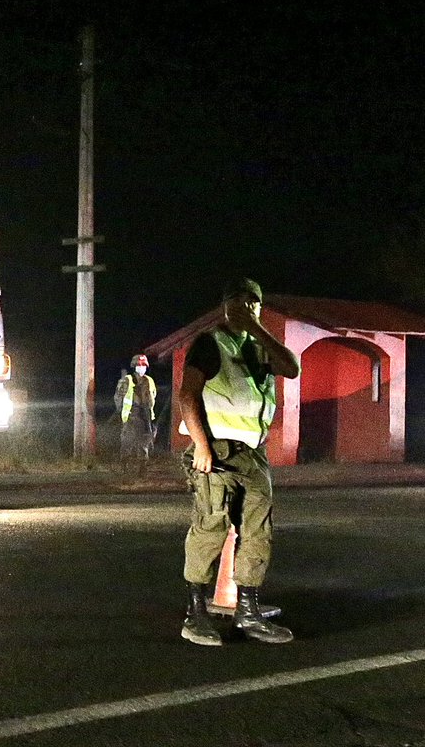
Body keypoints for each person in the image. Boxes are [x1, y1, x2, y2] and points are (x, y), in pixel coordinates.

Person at [177, 277, 300, 647]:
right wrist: (201, 445)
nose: (246, 307)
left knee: (258, 531)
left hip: (253, 454)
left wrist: (258, 329)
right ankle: (195, 615)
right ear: (225, 306)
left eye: (253, 302)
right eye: (238, 301)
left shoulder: (259, 345)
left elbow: (291, 368)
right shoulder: (209, 342)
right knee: (210, 528)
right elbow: (187, 396)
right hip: (216, 451)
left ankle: (248, 612)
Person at [113, 354, 157, 475]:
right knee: (127, 442)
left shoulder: (149, 380)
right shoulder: (127, 380)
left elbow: (153, 397)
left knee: (144, 443)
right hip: (131, 415)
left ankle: (142, 468)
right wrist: (122, 412)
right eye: (139, 365)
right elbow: (118, 398)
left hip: (145, 416)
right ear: (134, 366)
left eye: (143, 365)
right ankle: (124, 468)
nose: (142, 367)